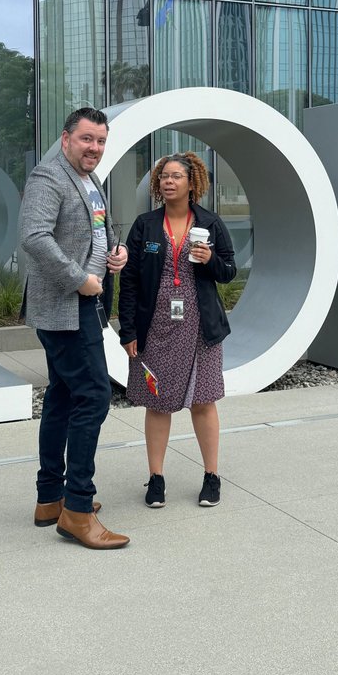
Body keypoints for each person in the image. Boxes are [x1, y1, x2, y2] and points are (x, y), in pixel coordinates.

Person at [18, 107, 130, 550]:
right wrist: (80, 279)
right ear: (66, 139)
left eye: (101, 141)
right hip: (66, 306)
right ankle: (78, 511)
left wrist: (113, 256)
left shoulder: (89, 180)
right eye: (87, 139)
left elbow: (92, 233)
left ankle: (51, 498)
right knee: (94, 396)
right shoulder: (49, 178)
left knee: (64, 397)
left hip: (86, 301)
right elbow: (34, 237)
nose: (95, 148)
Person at [118, 151, 236, 508]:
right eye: (163, 177)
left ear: (191, 183)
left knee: (203, 401)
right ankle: (156, 479)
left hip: (201, 327)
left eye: (175, 176)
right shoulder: (145, 225)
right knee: (158, 403)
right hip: (155, 327)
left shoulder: (211, 224)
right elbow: (131, 282)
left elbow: (229, 271)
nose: (168, 182)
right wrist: (128, 331)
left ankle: (211, 476)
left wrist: (210, 260)